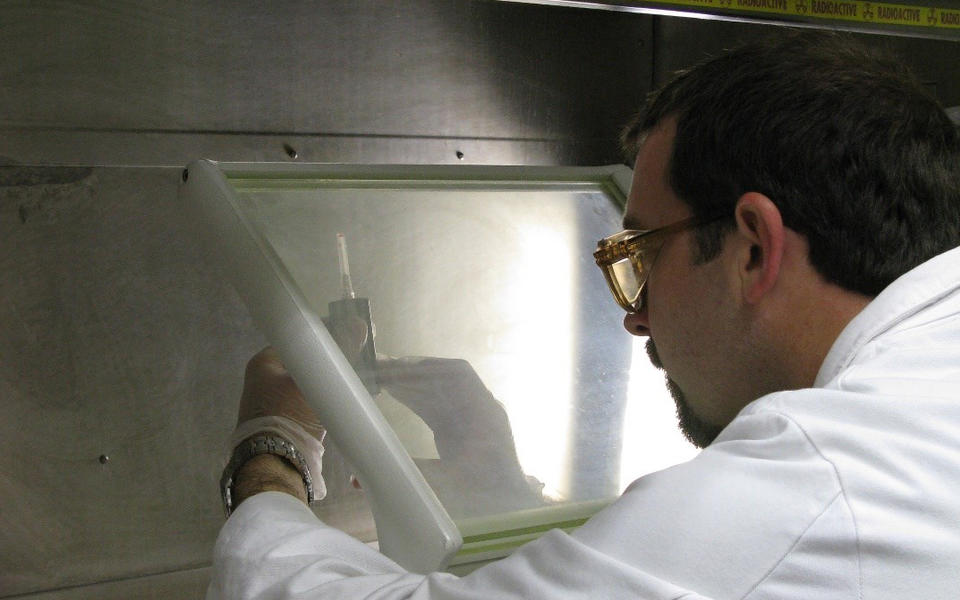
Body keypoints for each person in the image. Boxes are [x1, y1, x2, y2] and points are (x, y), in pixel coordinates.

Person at [207, 31, 960, 599]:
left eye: (645, 258)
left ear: (754, 249)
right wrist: (509, 492)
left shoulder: (820, 476)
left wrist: (272, 453)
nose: (636, 321)